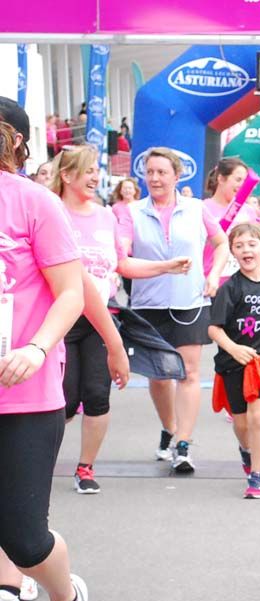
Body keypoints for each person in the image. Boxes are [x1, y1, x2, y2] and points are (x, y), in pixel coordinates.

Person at [0, 117, 96, 601]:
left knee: (23, 538)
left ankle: (66, 599)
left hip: (25, 393)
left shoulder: (34, 203)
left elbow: (70, 293)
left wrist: (36, 348)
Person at [117, 147, 229, 473]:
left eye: (162, 172)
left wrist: (212, 276)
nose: (154, 178)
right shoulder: (131, 212)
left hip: (190, 301)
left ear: (177, 177)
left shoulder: (196, 209)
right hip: (147, 304)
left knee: (189, 372)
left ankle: (183, 444)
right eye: (150, 172)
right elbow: (123, 260)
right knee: (160, 376)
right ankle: (169, 426)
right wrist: (164, 266)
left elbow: (221, 243)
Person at [50, 144, 131, 493]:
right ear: (67, 175)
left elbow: (122, 265)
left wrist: (167, 267)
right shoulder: (51, 212)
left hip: (99, 316)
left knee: (98, 395)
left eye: (97, 170)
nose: (95, 176)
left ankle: (85, 468)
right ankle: (36, 461)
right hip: (59, 316)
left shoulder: (106, 215)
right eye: (87, 170)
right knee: (63, 400)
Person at [208, 222, 260, 498]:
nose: (246, 250)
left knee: (258, 417)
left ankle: (257, 475)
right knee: (241, 423)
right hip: (233, 363)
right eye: (239, 246)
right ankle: (245, 450)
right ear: (232, 252)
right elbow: (214, 328)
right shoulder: (230, 288)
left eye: (252, 244)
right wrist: (234, 348)